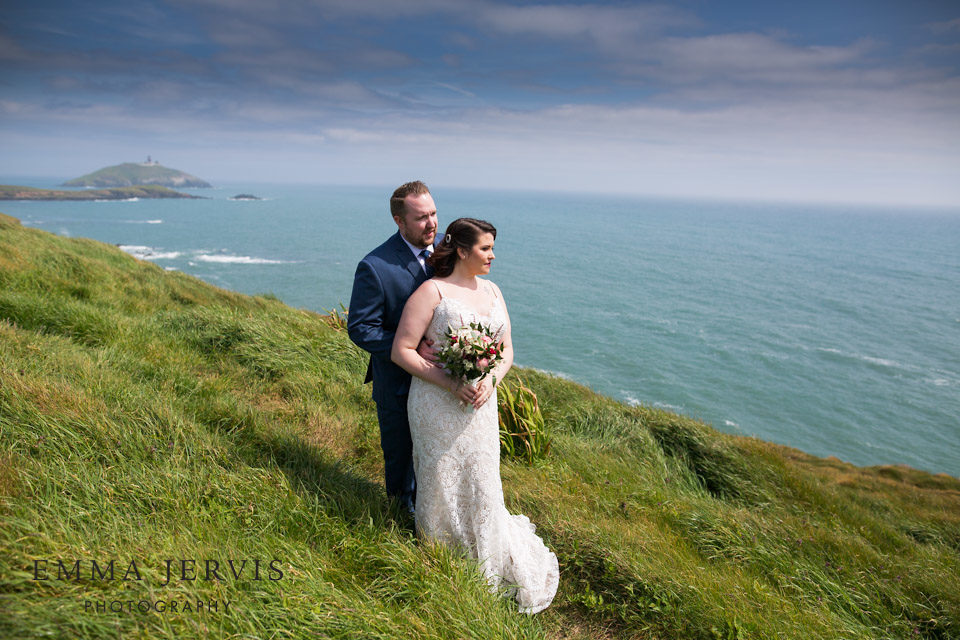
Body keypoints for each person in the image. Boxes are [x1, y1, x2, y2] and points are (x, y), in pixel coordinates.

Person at [391, 217, 559, 614]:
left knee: (483, 479)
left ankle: (487, 560)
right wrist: (449, 383)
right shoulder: (431, 292)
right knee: (441, 479)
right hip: (436, 403)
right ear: (463, 250)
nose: (492, 255)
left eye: (492, 248)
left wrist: (491, 379)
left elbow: (507, 350)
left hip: (482, 404)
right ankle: (440, 558)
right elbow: (403, 350)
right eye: (486, 248)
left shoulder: (494, 291)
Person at [348, 180, 440, 514]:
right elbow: (360, 328)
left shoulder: (449, 249)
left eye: (433, 214)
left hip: (444, 382)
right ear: (399, 221)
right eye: (420, 218)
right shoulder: (375, 266)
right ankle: (401, 532)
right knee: (403, 466)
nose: (431, 224)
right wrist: (409, 349)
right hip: (398, 384)